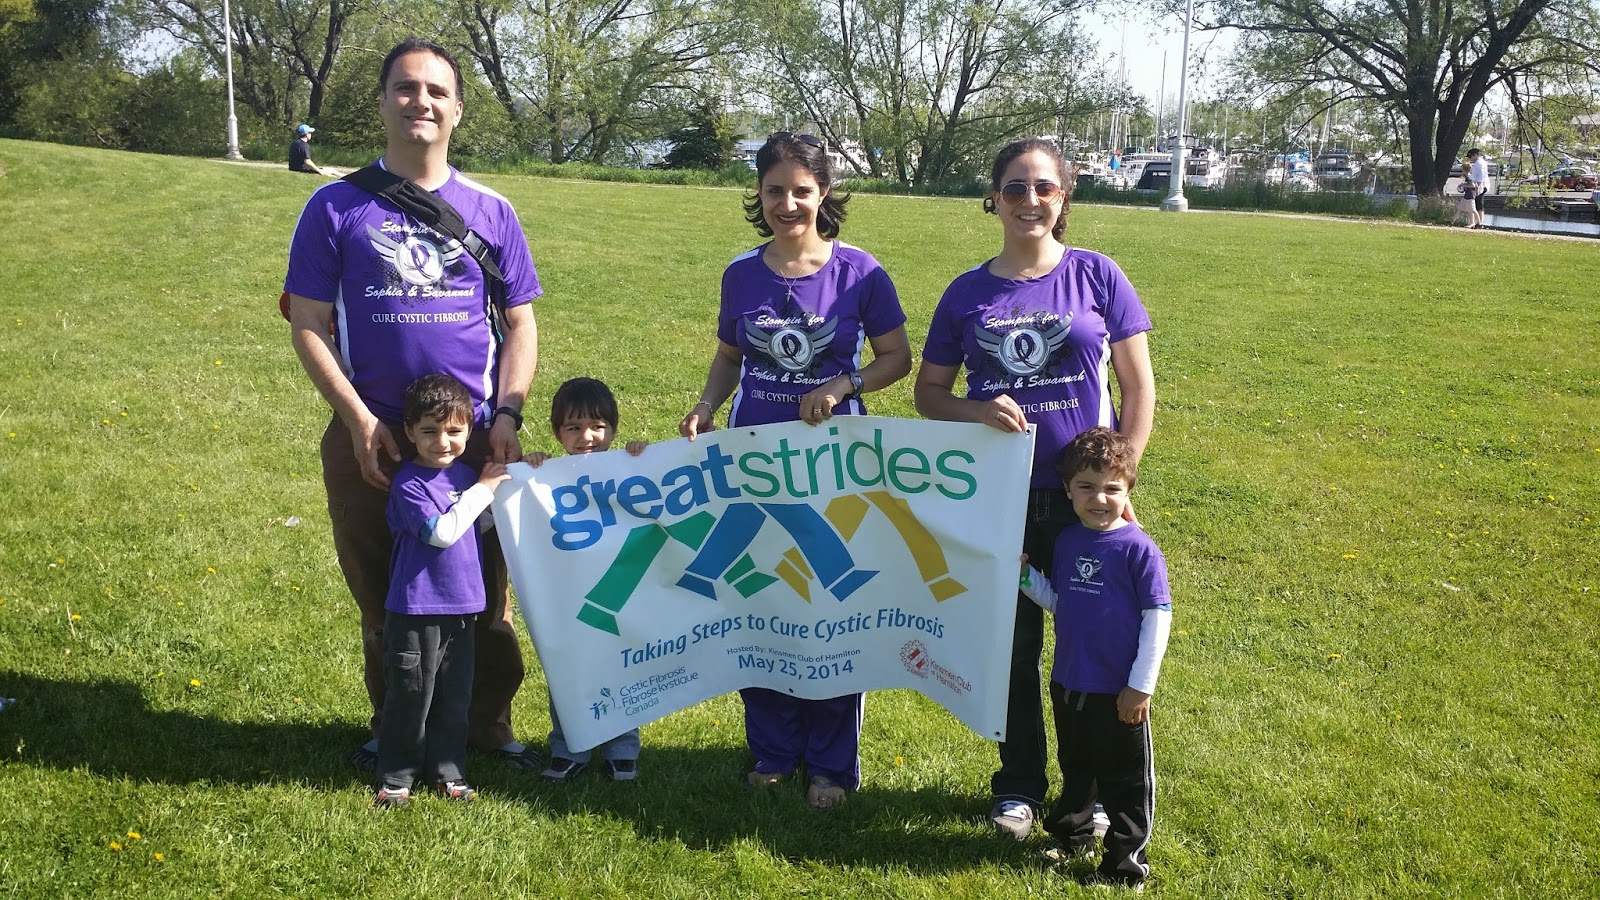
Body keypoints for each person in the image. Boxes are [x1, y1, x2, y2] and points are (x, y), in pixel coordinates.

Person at [284, 38, 543, 773]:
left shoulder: (492, 210)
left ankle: (486, 725)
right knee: (384, 593)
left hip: (473, 439)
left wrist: (507, 416)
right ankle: (396, 727)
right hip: (374, 437)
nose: (419, 101)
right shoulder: (334, 206)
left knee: (484, 597)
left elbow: (520, 323)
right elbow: (309, 324)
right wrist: (358, 420)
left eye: (435, 91)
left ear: (457, 110)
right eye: (405, 88)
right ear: (382, 102)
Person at [913, 137, 1154, 840]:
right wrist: (976, 409)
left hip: (1087, 508)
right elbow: (929, 394)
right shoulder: (967, 292)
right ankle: (1018, 787)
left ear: (1064, 196)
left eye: (1044, 187)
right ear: (993, 198)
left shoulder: (1097, 275)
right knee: (1012, 653)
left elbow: (1138, 390)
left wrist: (1117, 483)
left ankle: (1091, 793)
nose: (1029, 200)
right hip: (1000, 502)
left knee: (1095, 653)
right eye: (1015, 188)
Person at [678, 131, 913, 809]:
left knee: (835, 606)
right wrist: (706, 406)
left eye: (801, 191)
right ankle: (774, 751)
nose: (787, 204)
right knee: (761, 603)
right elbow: (730, 356)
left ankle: (833, 764)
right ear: (757, 194)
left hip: (835, 469)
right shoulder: (741, 274)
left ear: (824, 193)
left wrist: (843, 384)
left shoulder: (860, 272)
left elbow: (896, 358)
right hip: (753, 463)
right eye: (774, 190)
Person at [1020, 427, 1170, 891]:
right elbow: (1061, 602)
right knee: (1076, 767)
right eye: (1086, 486)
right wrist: (1025, 577)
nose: (1099, 498)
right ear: (1067, 490)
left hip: (1119, 690)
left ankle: (1126, 864)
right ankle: (1072, 836)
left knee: (1124, 781)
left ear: (1128, 490)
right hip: (1069, 681)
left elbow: (1158, 618)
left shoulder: (1139, 550)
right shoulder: (1068, 541)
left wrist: (1140, 686)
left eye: (1112, 488)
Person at [373, 375, 511, 808]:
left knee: (454, 695)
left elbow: (478, 525)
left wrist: (514, 484)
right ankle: (397, 776)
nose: (443, 442)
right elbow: (441, 533)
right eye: (430, 431)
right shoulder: (409, 484)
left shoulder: (467, 476)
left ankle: (449, 771)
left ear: (469, 430)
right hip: (416, 609)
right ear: (409, 432)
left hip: (463, 606)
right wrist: (484, 490)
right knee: (411, 695)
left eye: (454, 430)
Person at [524, 377, 648, 782]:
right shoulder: (547, 475)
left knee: (621, 668)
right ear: (557, 432)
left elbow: (653, 499)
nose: (587, 437)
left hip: (618, 594)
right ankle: (569, 747)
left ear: (613, 428)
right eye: (573, 427)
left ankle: (622, 748)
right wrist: (531, 469)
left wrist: (643, 460)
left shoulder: (626, 468)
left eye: (598, 426)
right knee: (568, 672)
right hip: (569, 597)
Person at [1465, 148, 1489, 229]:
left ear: (1475, 155)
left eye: (1470, 157)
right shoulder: (1478, 163)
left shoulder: (1480, 164)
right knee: (1476, 204)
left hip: (1480, 186)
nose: (1470, 159)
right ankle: (1476, 222)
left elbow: (1480, 176)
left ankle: (1479, 222)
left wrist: (1477, 186)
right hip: (1478, 185)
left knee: (1479, 204)